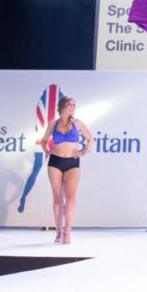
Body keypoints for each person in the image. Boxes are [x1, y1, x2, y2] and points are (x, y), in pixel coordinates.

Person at [37, 97, 93, 244]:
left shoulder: (78, 123)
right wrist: (47, 150)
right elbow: (43, 141)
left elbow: (90, 139)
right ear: (62, 107)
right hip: (55, 162)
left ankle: (67, 232)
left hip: (72, 162)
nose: (73, 107)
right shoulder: (53, 124)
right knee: (57, 198)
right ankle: (58, 232)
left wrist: (84, 152)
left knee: (70, 199)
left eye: (75, 105)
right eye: (70, 105)